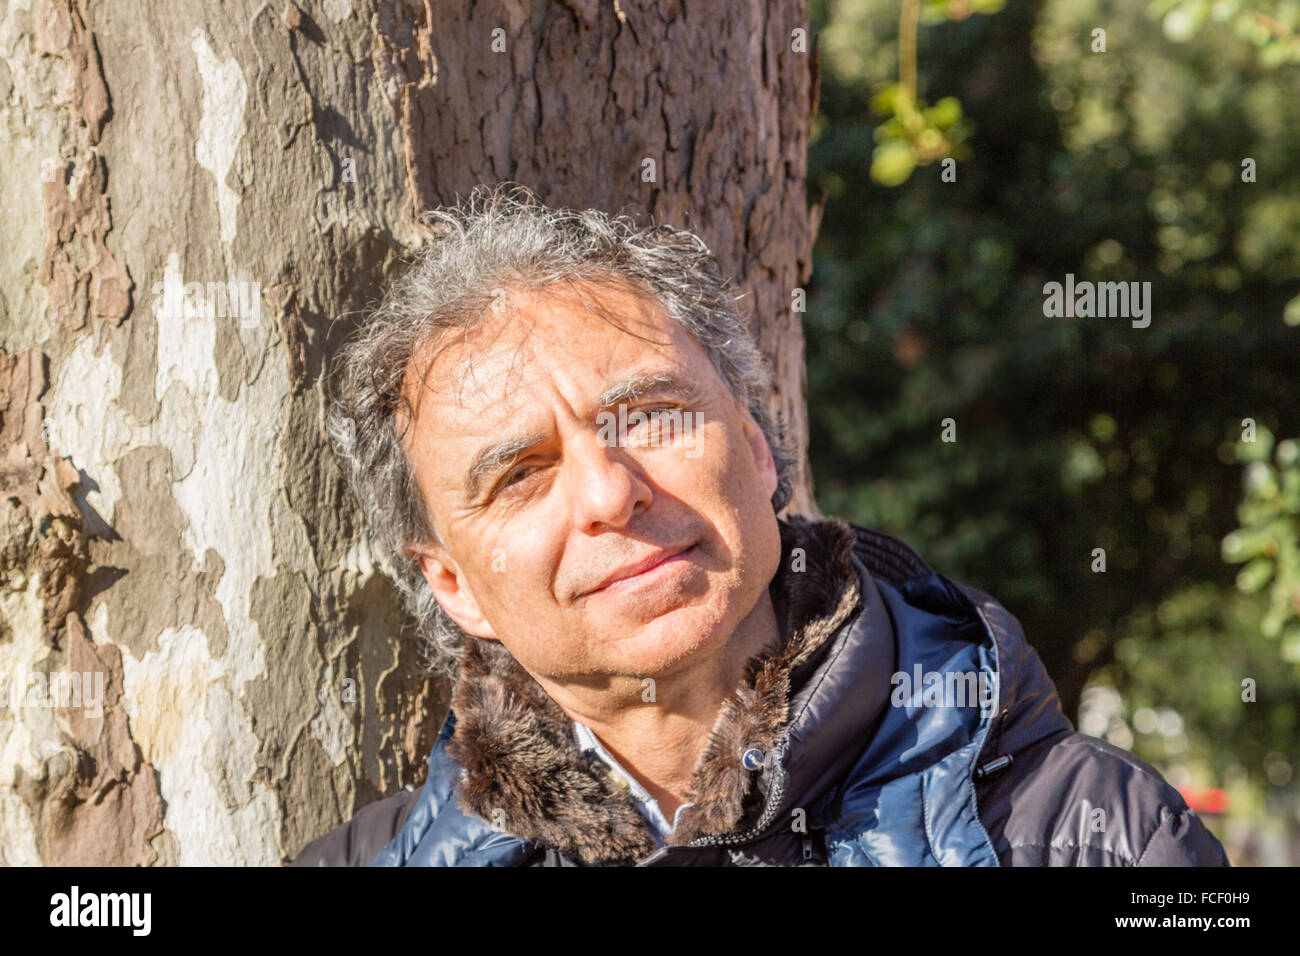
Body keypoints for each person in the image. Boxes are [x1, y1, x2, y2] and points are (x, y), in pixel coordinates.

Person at [292, 184, 1229, 867]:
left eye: (652, 417)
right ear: (451, 584)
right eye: (520, 475)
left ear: (757, 445)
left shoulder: (1101, 839)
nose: (610, 494)